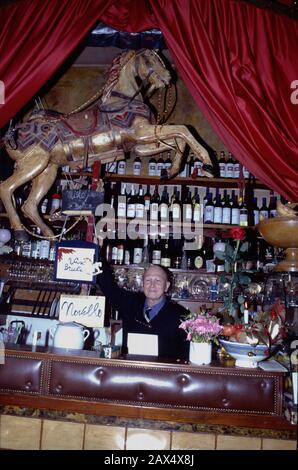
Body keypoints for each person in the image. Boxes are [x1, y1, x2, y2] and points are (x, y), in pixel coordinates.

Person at [97, 263, 189, 361]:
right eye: (148, 280)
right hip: (130, 371)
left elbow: (187, 357)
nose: (152, 285)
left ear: (166, 286)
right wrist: (97, 252)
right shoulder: (130, 303)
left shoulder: (182, 316)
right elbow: (108, 286)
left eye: (158, 281)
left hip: (164, 374)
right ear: (142, 284)